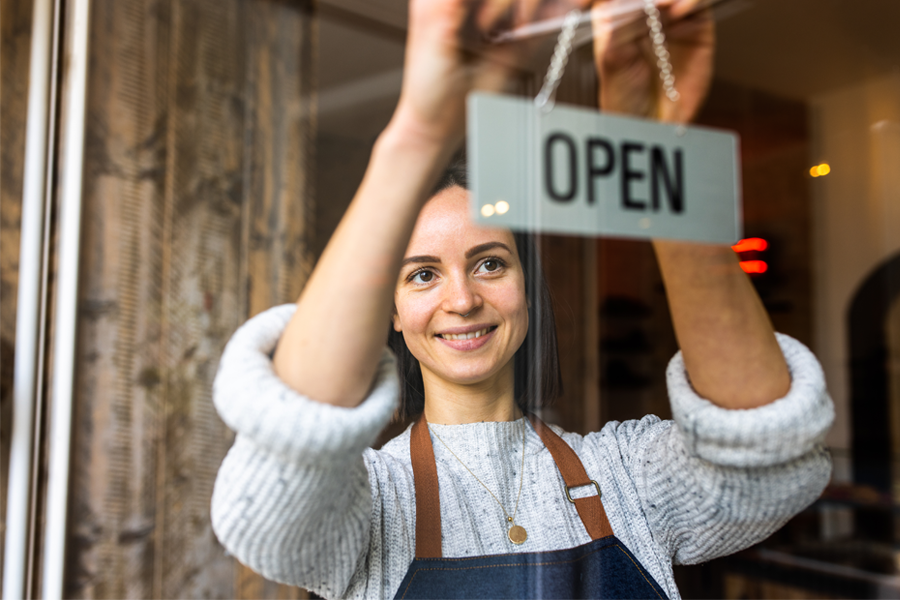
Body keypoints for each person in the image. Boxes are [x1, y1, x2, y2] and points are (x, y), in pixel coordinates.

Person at [210, 0, 834, 598]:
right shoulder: (373, 500)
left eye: (489, 263)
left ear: (526, 292)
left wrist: (652, 157)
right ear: (391, 315)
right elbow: (268, 510)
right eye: (422, 275)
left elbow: (768, 465)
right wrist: (420, 132)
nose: (463, 299)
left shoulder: (628, 476)